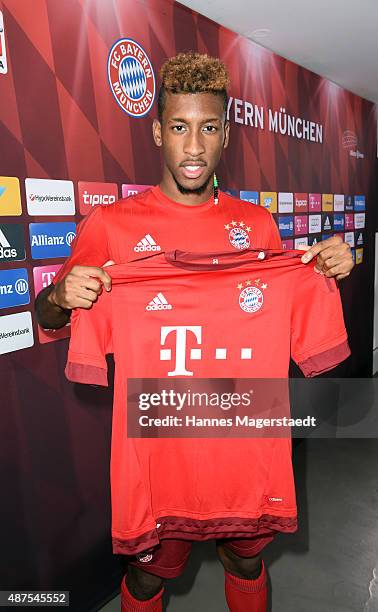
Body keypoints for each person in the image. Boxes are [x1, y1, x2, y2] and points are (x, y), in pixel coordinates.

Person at [35, 52, 354, 611]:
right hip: (159, 453)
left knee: (246, 560)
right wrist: (60, 297)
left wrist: (324, 271)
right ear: (158, 131)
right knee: (147, 581)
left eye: (209, 128)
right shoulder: (110, 226)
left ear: (226, 134)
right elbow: (49, 318)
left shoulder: (257, 226)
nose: (193, 147)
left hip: (244, 446)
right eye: (179, 128)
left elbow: (291, 313)